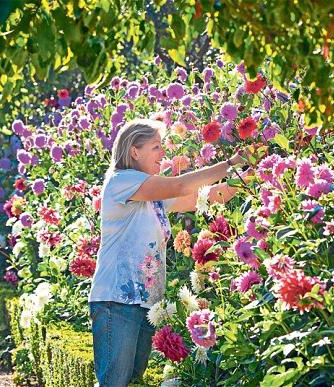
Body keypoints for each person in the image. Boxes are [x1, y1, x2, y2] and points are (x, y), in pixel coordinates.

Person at [88, 118, 246, 386]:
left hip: (144, 303)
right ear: (134, 151)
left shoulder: (153, 197)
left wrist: (248, 177)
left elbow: (207, 197)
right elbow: (180, 186)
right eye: (156, 147)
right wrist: (230, 164)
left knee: (133, 382)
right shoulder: (122, 181)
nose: (163, 154)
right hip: (117, 301)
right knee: (114, 383)